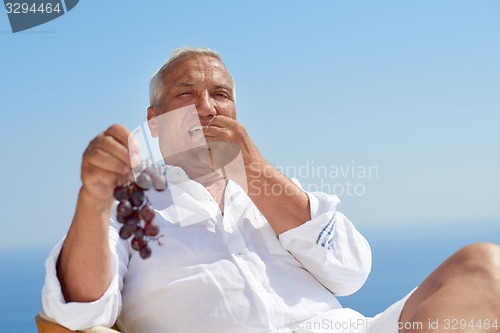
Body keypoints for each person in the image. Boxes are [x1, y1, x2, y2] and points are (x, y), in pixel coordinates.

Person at [42, 47, 500, 333]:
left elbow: (351, 272)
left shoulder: (270, 186)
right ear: (154, 121)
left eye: (220, 94)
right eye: (186, 95)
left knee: (483, 266)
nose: (207, 107)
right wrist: (93, 198)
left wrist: (252, 169)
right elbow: (79, 314)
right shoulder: (128, 206)